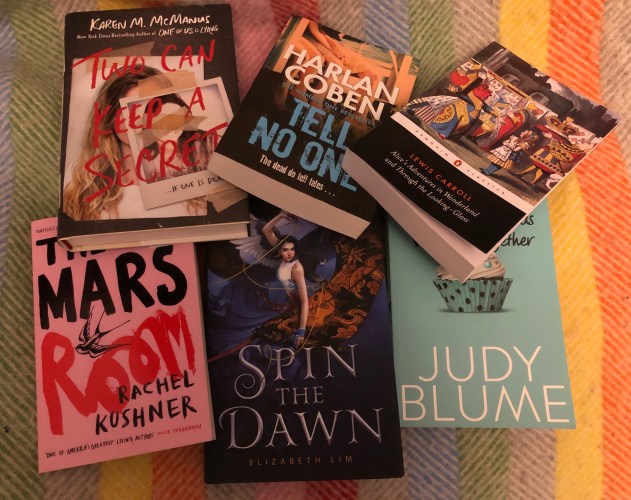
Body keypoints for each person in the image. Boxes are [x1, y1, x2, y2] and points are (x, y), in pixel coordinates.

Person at [62, 65, 206, 221]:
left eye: (153, 107)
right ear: (109, 117)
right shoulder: (81, 198)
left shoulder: (200, 186)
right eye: (130, 108)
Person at [261, 211, 310, 349]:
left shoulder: (297, 269)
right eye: (285, 250)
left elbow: (305, 301)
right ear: (279, 250)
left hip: (296, 306)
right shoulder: (282, 252)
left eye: (292, 249)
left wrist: (301, 330)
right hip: (284, 301)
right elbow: (266, 230)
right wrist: (281, 215)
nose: (289, 253)